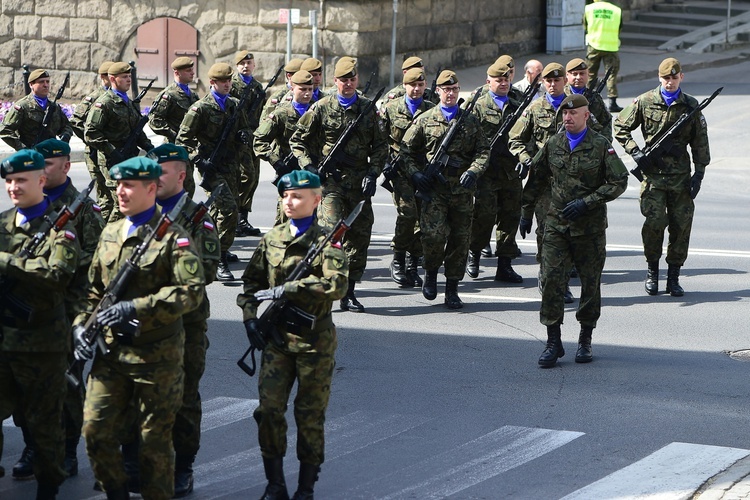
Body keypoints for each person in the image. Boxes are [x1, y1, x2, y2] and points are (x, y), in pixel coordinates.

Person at [74, 156, 204, 500]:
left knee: (154, 448)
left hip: (156, 359)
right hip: (111, 355)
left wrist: (136, 307)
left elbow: (190, 292)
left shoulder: (174, 238)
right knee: (96, 433)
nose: (120, 192)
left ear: (150, 188)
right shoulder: (111, 231)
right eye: (118, 185)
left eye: (129, 185)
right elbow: (93, 291)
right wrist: (79, 326)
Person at [236, 169, 348, 500]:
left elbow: (337, 286)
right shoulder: (271, 239)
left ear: (315, 200)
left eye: (297, 196)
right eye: (285, 195)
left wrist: (292, 287)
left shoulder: (329, 240)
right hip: (277, 343)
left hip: (314, 345)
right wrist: (249, 320)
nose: (289, 201)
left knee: (309, 417)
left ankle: (306, 487)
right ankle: (275, 484)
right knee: (268, 412)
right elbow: (251, 285)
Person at [520, 94, 628, 367]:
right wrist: (525, 212)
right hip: (556, 225)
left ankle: (585, 340)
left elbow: (619, 181)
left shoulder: (601, 146)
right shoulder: (553, 143)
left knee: (590, 285)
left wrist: (588, 202)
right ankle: (553, 342)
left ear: (586, 115)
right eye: (564, 114)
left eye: (573, 114)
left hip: (589, 229)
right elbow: (536, 178)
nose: (567, 118)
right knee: (552, 282)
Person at [0, 149, 80, 499]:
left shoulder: (61, 229)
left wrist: (5, 263)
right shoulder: (2, 224)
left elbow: (57, 274)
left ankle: (48, 488)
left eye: (21, 180)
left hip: (43, 345)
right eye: (9, 181)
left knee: (46, 425)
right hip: (3, 342)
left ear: (41, 181)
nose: (14, 187)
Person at [290, 56, 388, 312]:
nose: (348, 84)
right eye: (343, 80)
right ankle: (324, 286)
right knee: (331, 235)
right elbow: (298, 140)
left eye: (352, 79)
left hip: (359, 183)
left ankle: (349, 292)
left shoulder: (368, 109)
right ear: (335, 81)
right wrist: (309, 167)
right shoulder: (321, 107)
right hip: (331, 183)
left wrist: (372, 174)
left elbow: (380, 147)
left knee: (359, 235)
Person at [150, 143, 220, 497]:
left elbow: (206, 270)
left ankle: (183, 465)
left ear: (180, 175)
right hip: (145, 320)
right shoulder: (138, 212)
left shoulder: (198, 216)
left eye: (161, 171)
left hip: (186, 320)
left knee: (185, 394)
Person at [613, 57, 710, 297]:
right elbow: (620, 126)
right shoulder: (645, 101)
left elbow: (700, 143)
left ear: (681, 77)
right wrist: (635, 152)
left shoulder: (691, 105)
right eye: (666, 78)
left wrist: (699, 174)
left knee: (681, 227)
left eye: (674, 78)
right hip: (653, 178)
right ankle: (652, 272)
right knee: (654, 225)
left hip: (680, 178)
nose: (670, 82)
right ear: (659, 78)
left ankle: (674, 277)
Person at [37, 138, 104, 478]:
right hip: (31, 314)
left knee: (65, 386)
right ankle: (35, 449)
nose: (41, 169)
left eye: (48, 163)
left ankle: (66, 451)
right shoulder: (27, 205)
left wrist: (84, 317)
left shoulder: (82, 209)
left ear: (65, 166)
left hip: (67, 310)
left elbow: (96, 267)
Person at [400, 70, 489, 309]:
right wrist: (417, 174)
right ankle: (430, 274)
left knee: (461, 240)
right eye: (446, 89)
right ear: (438, 91)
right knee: (433, 236)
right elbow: (406, 152)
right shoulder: (425, 119)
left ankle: (452, 287)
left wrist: (473, 171)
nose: (450, 94)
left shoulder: (469, 120)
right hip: (435, 190)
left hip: (461, 191)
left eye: (455, 89)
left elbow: (483, 151)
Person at [509, 62, 581, 304]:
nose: (552, 84)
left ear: (565, 82)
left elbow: (598, 135)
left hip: (573, 182)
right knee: (547, 233)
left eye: (557, 80)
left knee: (570, 232)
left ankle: (562, 281)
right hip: (544, 183)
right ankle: (547, 276)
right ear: (543, 83)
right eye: (548, 81)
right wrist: (525, 158)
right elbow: (515, 139)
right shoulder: (534, 109)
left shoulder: (578, 107)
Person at [177, 62, 250, 281]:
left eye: (229, 80)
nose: (227, 85)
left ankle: (213, 248)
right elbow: (183, 139)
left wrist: (244, 136)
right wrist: (198, 159)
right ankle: (219, 260)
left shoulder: (235, 104)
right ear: (212, 83)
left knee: (224, 211)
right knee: (228, 210)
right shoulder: (200, 108)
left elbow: (245, 128)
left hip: (231, 165)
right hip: (211, 167)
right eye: (222, 82)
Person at [466, 61, 524, 284]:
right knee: (484, 217)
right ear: (488, 81)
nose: (503, 83)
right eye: (498, 80)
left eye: (506, 79)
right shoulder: (479, 105)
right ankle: (474, 254)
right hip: (486, 173)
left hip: (510, 171)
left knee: (510, 219)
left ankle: (505, 265)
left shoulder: (518, 102)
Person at [379, 67, 435, 289]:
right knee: (407, 214)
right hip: (401, 171)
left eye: (421, 85)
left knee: (423, 217)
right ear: (405, 86)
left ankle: (413, 263)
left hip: (424, 173)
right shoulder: (391, 109)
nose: (417, 89)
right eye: (413, 85)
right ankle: (398, 259)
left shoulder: (431, 110)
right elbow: (379, 139)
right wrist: (384, 165)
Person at [84, 61, 155, 223]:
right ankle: (105, 239)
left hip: (128, 158)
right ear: (113, 79)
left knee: (128, 204)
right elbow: (91, 133)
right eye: (124, 77)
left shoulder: (127, 102)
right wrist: (112, 151)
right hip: (112, 160)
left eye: (129, 76)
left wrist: (149, 147)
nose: (129, 80)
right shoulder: (104, 104)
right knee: (121, 205)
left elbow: (137, 130)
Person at [254, 70, 316, 226]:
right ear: (292, 88)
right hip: (289, 172)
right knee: (285, 219)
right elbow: (259, 140)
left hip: (311, 171)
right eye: (302, 89)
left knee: (311, 219)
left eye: (310, 89)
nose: (307, 93)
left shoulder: (317, 111)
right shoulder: (281, 114)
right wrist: (276, 162)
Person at [148, 57, 200, 198]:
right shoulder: (168, 95)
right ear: (177, 73)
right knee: (178, 187)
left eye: (192, 70)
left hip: (188, 147)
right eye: (188, 70)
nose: (192, 73)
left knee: (188, 187)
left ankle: (181, 217)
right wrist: (173, 134)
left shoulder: (193, 96)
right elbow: (155, 120)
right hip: (173, 148)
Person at [70, 61, 113, 208]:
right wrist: (91, 140)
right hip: (96, 152)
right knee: (105, 196)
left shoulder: (117, 96)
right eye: (110, 74)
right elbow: (75, 121)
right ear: (103, 77)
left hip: (113, 152)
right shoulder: (94, 98)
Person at [231, 50, 264, 238]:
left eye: (249, 62)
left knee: (254, 178)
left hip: (254, 137)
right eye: (242, 63)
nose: (246, 66)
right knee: (244, 176)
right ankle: (234, 217)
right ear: (237, 66)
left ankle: (243, 218)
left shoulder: (258, 87)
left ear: (254, 65)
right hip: (238, 138)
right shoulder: (233, 85)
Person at [0, 69, 73, 150]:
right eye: (41, 82)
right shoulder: (22, 106)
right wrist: (24, 149)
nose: (46, 85)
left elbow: (67, 126)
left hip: (51, 155)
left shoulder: (54, 107)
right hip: (30, 157)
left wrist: (64, 138)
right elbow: (5, 130)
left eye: (47, 82)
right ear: (31, 85)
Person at [584, 0, 623, 112]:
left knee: (590, 74)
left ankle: (586, 99)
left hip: (593, 45)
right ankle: (612, 102)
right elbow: (620, 27)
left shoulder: (589, 8)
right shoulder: (616, 10)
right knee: (611, 75)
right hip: (610, 46)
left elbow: (585, 25)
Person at [564, 57, 612, 143]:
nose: (578, 77)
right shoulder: (562, 96)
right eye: (574, 74)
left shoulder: (595, 97)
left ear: (588, 74)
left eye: (582, 73)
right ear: (567, 75)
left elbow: (606, 122)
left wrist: (603, 144)